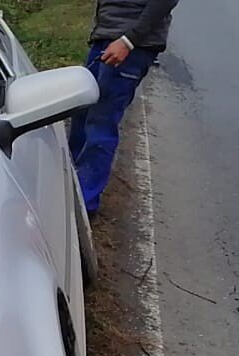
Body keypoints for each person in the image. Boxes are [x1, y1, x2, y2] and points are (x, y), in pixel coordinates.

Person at [68, 0, 179, 216]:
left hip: (127, 47)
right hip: (108, 38)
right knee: (81, 110)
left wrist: (129, 41)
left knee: (100, 123)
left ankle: (82, 206)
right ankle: (69, 184)